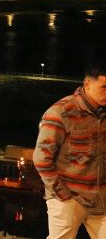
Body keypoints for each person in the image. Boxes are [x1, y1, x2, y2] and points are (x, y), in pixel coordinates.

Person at [34, 60, 106, 239]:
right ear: (87, 84)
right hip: (69, 198)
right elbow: (41, 159)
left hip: (101, 199)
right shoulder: (61, 113)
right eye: (104, 87)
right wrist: (62, 194)